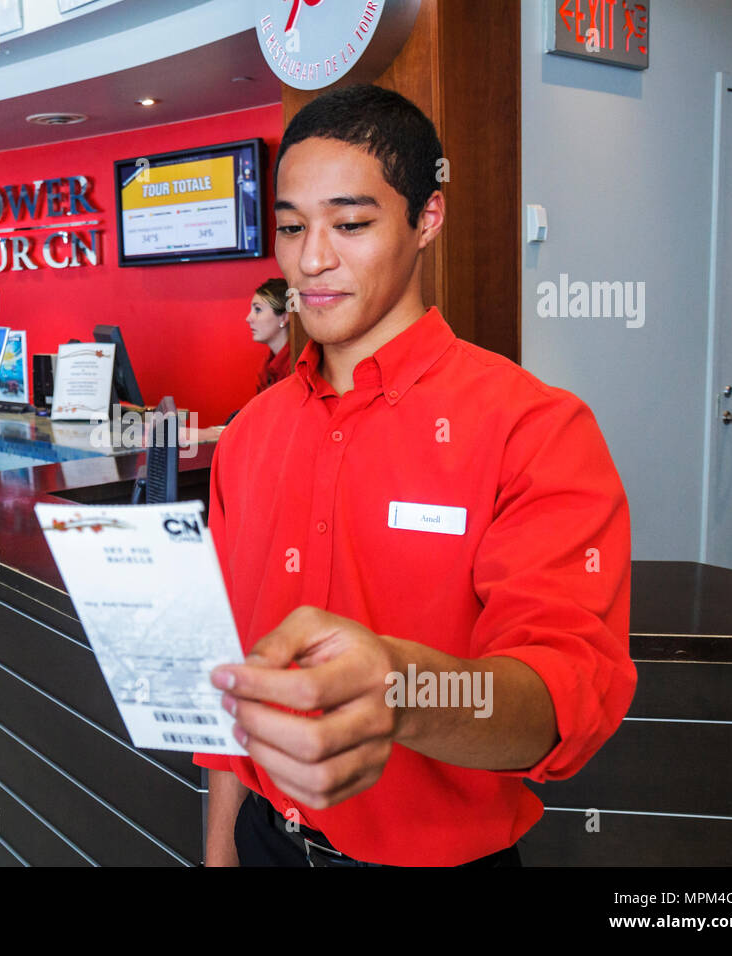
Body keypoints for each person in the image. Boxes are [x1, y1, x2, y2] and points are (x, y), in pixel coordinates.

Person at [194, 85, 636, 867]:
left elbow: (561, 699)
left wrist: (401, 688)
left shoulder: (534, 429)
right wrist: (222, 850)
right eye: (291, 227)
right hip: (264, 841)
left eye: (352, 224)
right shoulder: (250, 435)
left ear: (427, 218)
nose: (311, 259)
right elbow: (234, 669)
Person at [247, 277, 294, 393]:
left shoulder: (299, 367)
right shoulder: (267, 365)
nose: (248, 318)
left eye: (258, 310)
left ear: (284, 317)